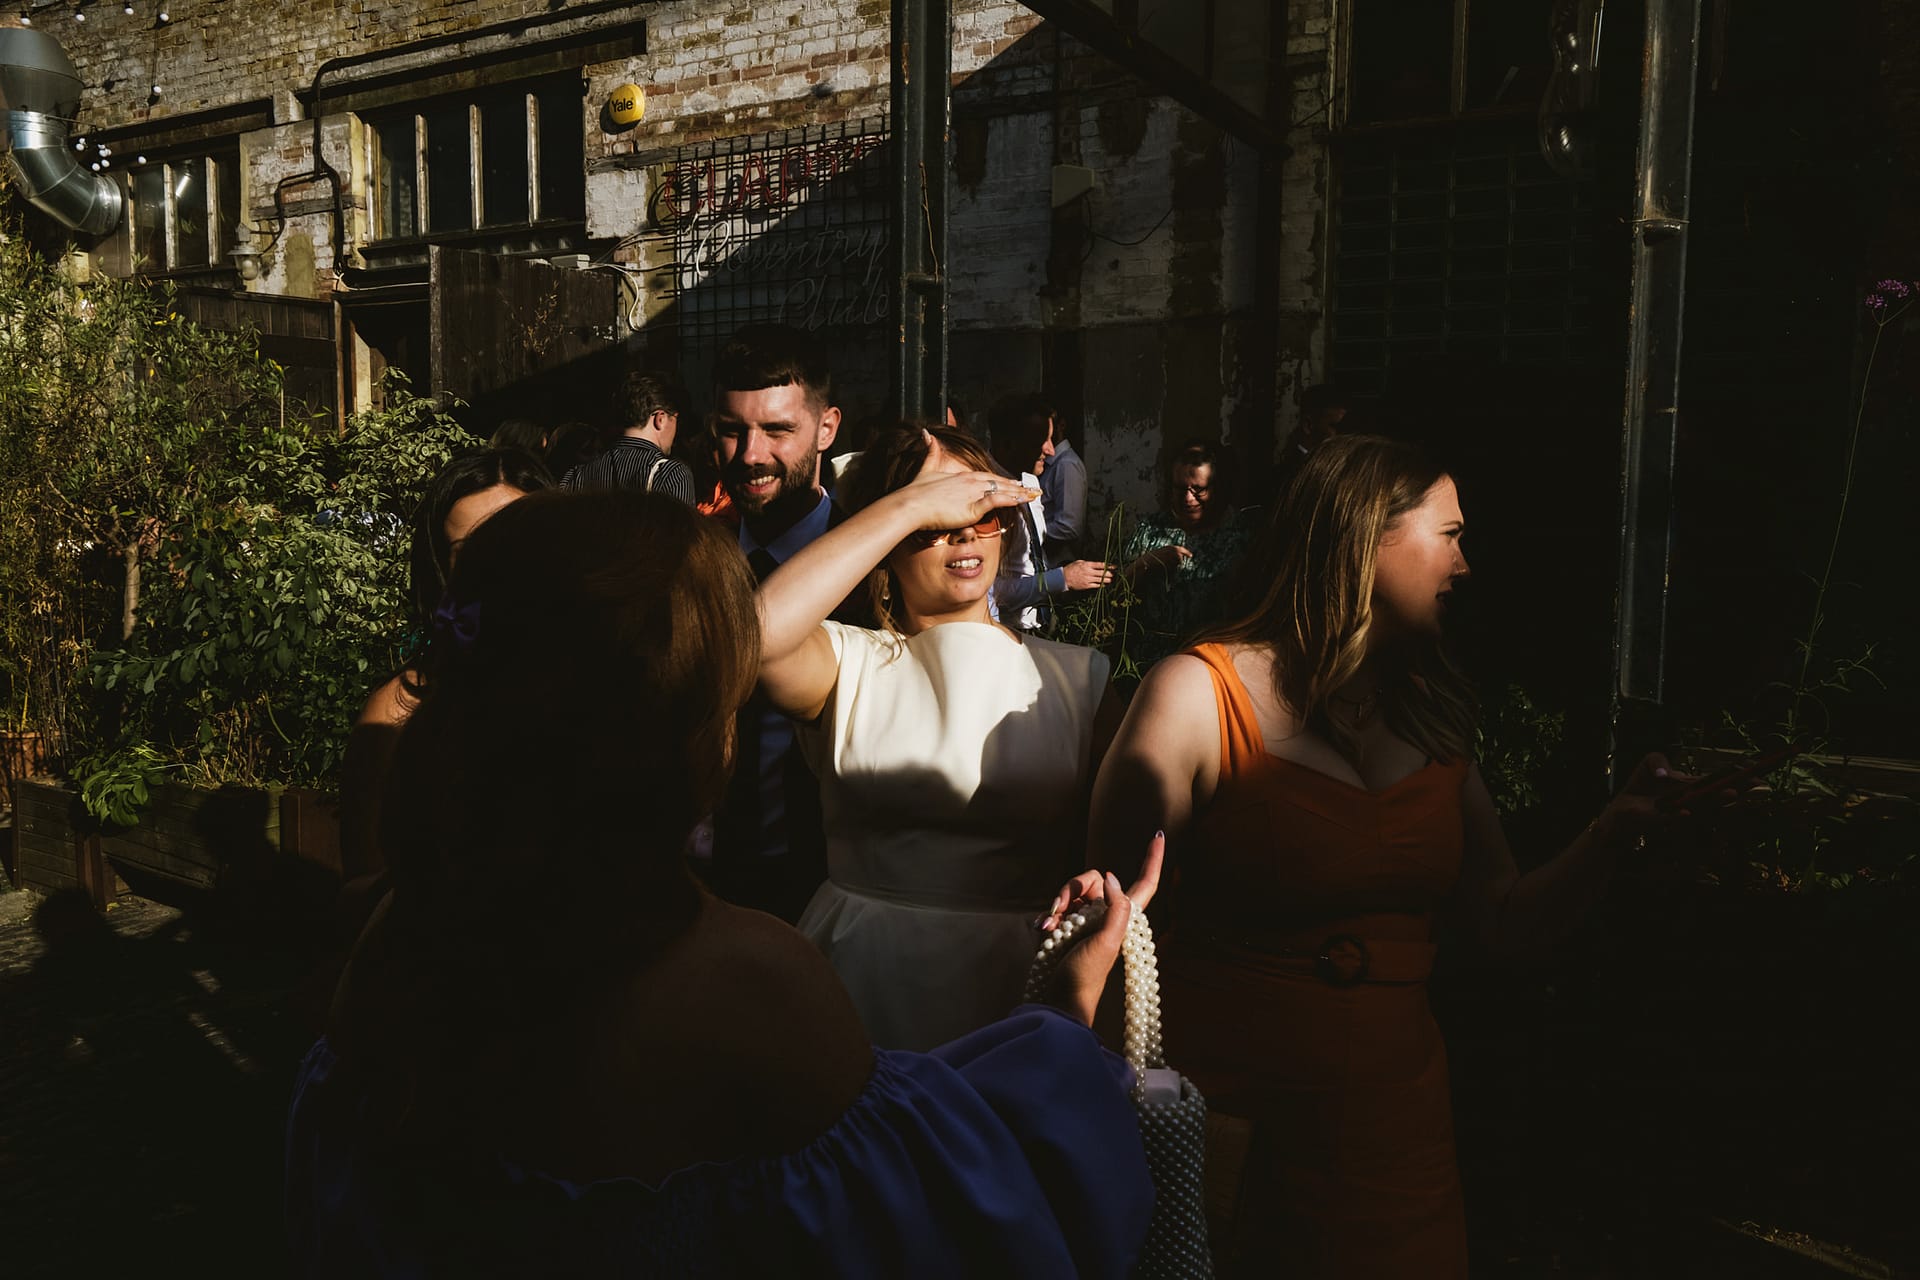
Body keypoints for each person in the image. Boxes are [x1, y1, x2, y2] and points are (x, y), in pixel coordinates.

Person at [287, 491, 1160, 1276]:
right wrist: (1064, 1017)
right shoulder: (742, 978)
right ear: (696, 734)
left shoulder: (395, 938)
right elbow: (961, 1229)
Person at [1049, 434, 1686, 1277]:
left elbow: (1501, 925)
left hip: (1399, 1141)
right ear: (1365, 537)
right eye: (1451, 535)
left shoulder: (1434, 719)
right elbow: (1113, 930)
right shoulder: (1197, 695)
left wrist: (1614, 834)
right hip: (1226, 1134)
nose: (1466, 564)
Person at [756, 423, 1116, 1051]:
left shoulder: (1077, 676)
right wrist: (910, 505)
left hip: (1018, 993)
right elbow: (756, 637)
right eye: (935, 519)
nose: (962, 533)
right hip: (861, 985)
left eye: (979, 510)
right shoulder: (848, 661)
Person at [337, 448, 552, 885]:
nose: (499, 572)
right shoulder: (397, 714)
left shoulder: (601, 692)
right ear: (441, 572)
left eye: (518, 544)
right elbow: (363, 887)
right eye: (470, 553)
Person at [706, 324, 852, 922]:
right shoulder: (692, 560)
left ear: (827, 429)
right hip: (709, 887)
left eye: (777, 430)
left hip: (832, 890)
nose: (750, 455)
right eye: (732, 431)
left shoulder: (872, 573)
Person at [1118, 440, 1254, 673]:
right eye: (1180, 489)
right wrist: (1148, 563)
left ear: (1217, 488)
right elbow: (1117, 594)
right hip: (1147, 665)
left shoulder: (1239, 538)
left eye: (1198, 489)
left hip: (1210, 666)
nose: (1188, 499)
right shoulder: (1150, 530)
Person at [987, 394, 1111, 630]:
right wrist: (1061, 579)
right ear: (1008, 443)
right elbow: (990, 589)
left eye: (1051, 438)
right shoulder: (985, 492)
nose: (1051, 451)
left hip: (1040, 627)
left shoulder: (1031, 481)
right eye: (1040, 441)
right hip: (1006, 631)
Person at [559, 369, 695, 503]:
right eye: (676, 419)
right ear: (661, 419)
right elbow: (681, 526)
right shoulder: (672, 475)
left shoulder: (576, 477)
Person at [1038, 417, 1088, 563]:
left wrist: (1030, 534)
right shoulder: (1048, 464)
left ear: (1060, 425)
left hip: (1058, 563)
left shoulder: (1066, 465)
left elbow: (1068, 527)